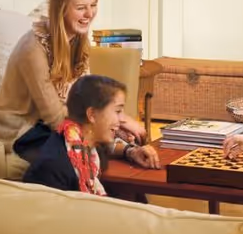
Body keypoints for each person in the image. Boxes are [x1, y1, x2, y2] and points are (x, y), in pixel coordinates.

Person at [0, 0, 145, 179]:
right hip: (22, 131)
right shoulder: (32, 49)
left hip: (52, 126)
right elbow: (55, 117)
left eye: (93, 5)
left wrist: (121, 129)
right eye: (80, 8)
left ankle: (130, 205)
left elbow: (86, 100)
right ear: (61, 10)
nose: (89, 14)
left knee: (104, 153)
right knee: (80, 157)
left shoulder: (78, 41)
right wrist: (114, 124)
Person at [24, 75, 160, 194]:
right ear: (92, 115)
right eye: (117, 111)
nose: (122, 120)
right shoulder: (55, 165)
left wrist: (132, 151)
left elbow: (108, 148)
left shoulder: (84, 144)